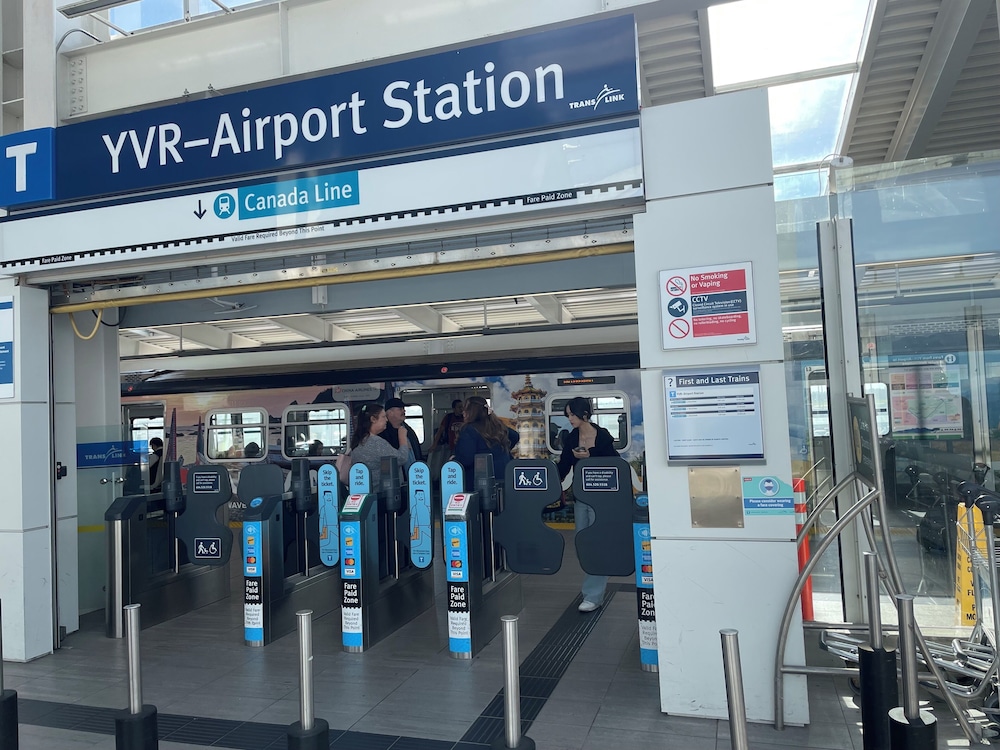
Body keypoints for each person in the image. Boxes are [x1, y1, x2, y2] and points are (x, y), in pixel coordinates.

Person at [557, 396, 619, 613]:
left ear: (584, 414)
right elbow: (564, 465)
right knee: (583, 543)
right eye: (567, 415)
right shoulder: (571, 438)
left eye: (572, 414)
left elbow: (614, 463)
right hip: (581, 495)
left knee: (596, 543)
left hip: (601, 497)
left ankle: (592, 595)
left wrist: (590, 456)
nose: (570, 419)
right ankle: (599, 576)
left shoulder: (603, 436)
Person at [454, 396, 519, 491]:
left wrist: (454, 460)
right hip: (504, 476)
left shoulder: (469, 430)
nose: (463, 412)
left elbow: (467, 459)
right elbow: (515, 436)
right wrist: (503, 449)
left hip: (480, 481)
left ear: (471, 411)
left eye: (465, 409)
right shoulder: (497, 426)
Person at [348, 403, 411, 487]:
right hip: (379, 491)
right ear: (373, 419)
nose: (386, 420)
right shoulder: (376, 443)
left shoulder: (360, 440)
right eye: (383, 417)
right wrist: (402, 438)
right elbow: (401, 458)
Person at [382, 397, 423, 466]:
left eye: (403, 408)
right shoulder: (384, 434)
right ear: (390, 413)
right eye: (400, 409)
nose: (404, 411)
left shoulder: (407, 429)